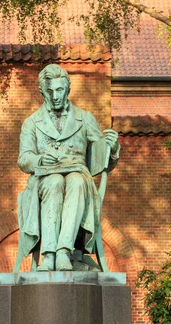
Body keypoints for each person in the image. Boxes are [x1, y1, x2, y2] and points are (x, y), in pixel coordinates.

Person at [17, 64, 120, 271]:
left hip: (78, 176)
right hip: (45, 179)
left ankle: (64, 250)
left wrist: (112, 146)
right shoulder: (31, 122)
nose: (55, 96)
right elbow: (24, 158)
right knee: (55, 182)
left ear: (67, 89)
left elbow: (102, 156)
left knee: (76, 180)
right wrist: (38, 160)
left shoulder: (85, 118)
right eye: (50, 91)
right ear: (42, 92)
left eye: (60, 90)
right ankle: (49, 254)